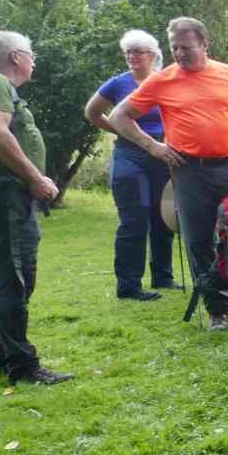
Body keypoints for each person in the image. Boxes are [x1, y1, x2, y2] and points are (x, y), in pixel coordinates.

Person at [108, 17, 228, 334]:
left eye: (185, 47)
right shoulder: (162, 80)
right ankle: (218, 311)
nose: (179, 53)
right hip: (188, 171)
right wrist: (154, 147)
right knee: (199, 242)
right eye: (174, 47)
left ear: (204, 44)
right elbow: (119, 116)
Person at [0, 32, 69, 385]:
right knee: (14, 278)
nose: (33, 61)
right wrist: (35, 178)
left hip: (4, 196)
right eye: (31, 54)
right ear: (16, 56)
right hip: (6, 195)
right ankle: (23, 366)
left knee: (2, 277)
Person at [84, 30, 174, 301]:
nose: (132, 57)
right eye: (128, 52)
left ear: (152, 55)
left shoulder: (166, 81)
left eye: (138, 52)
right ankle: (129, 286)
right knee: (135, 218)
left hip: (163, 153)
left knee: (163, 216)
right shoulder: (117, 84)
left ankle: (163, 277)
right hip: (129, 155)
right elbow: (92, 112)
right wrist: (122, 131)